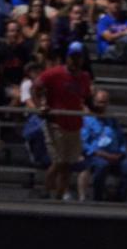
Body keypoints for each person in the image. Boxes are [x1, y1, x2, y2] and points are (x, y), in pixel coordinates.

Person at [33, 41, 93, 200]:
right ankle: (46, 190)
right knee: (59, 161)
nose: (75, 61)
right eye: (73, 57)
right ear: (67, 58)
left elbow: (87, 98)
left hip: (74, 124)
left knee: (68, 163)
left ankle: (59, 194)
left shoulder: (85, 77)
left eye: (78, 57)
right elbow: (37, 87)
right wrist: (40, 106)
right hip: (56, 122)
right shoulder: (54, 73)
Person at [81, 89, 127, 201]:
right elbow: (84, 144)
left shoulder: (112, 121)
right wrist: (102, 154)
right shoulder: (86, 120)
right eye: (99, 102)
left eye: (105, 102)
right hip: (97, 156)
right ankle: (98, 198)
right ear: (93, 102)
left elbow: (121, 139)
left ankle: (120, 198)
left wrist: (121, 153)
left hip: (115, 156)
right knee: (102, 166)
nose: (102, 105)